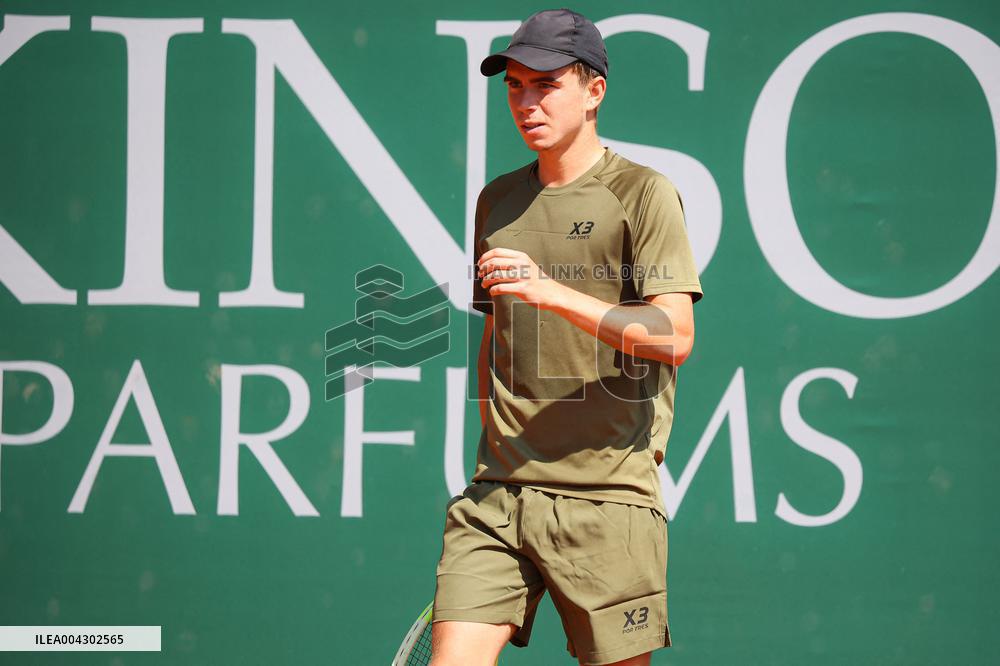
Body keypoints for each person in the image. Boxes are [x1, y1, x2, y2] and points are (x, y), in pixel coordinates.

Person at [430, 8, 704, 666]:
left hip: (608, 498)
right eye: (515, 86)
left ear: (594, 91)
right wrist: (489, 453)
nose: (527, 102)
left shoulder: (644, 194)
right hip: (499, 495)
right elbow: (496, 335)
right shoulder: (496, 201)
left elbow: (675, 335)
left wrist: (550, 290)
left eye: (546, 85)